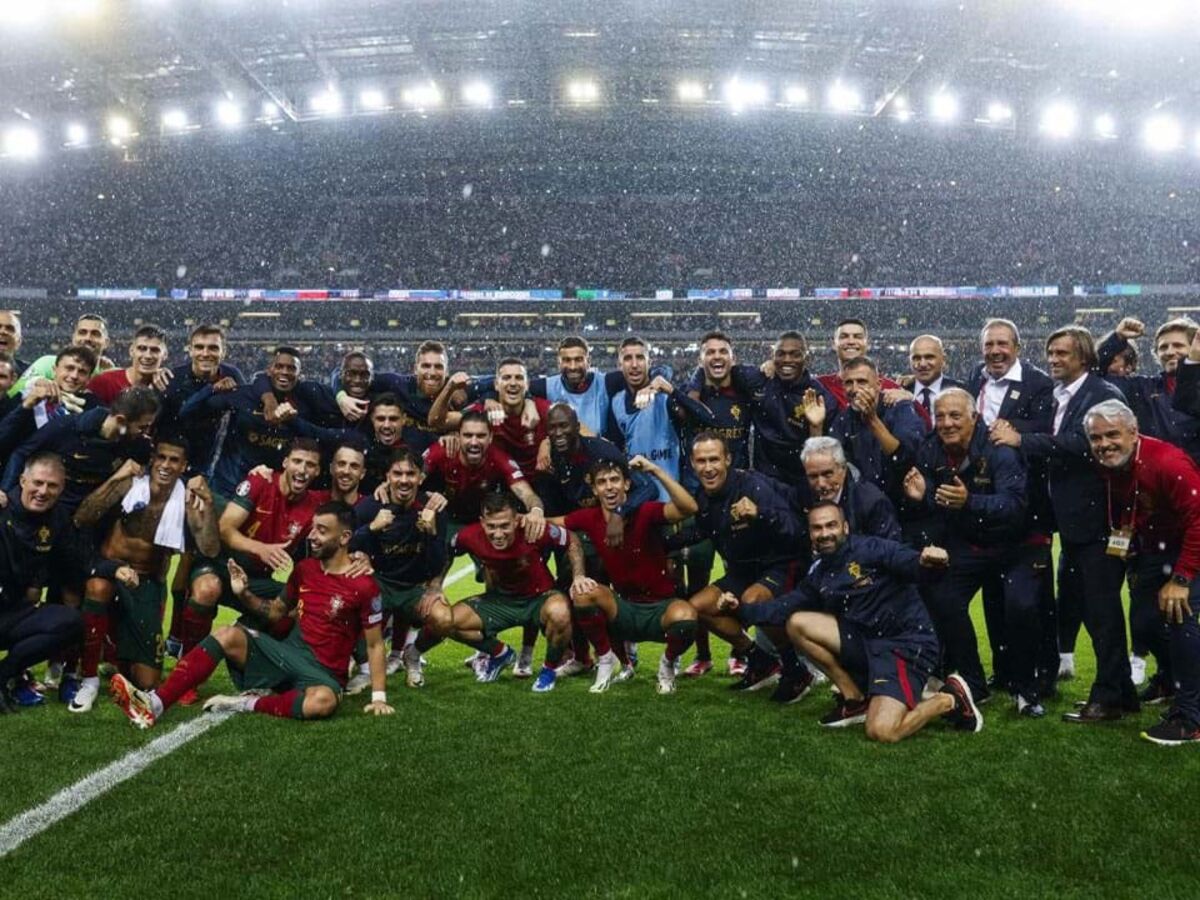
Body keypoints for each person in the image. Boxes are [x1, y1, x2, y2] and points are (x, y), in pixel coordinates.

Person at [111, 501, 394, 728]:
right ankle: (155, 704)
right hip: (286, 654)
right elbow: (276, 612)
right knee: (228, 635)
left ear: (345, 537)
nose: (312, 536)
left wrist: (379, 697)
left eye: (322, 530)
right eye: (313, 529)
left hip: (324, 674)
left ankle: (244, 703)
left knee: (323, 702)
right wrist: (244, 593)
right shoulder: (305, 569)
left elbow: (374, 644)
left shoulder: (365, 586)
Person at [991, 326, 1136, 722]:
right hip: (1074, 525)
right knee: (1084, 605)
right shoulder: (1065, 393)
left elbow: (1084, 445)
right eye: (1050, 352)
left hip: (1099, 523)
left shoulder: (1101, 395)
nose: (1053, 359)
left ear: (1084, 358)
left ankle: (1108, 698)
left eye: (1063, 354)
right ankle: (1121, 691)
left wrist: (1021, 441)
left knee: (1101, 610)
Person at [745, 503, 983, 742]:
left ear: (845, 527)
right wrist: (740, 609)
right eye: (817, 528)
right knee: (797, 623)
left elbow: (913, 565)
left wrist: (931, 562)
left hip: (904, 645)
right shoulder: (820, 572)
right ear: (810, 534)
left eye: (831, 525)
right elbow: (783, 608)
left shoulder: (872, 548)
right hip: (866, 642)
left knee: (882, 731)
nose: (825, 533)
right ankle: (855, 699)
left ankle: (949, 698)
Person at [901, 389, 1039, 714]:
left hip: (1012, 546)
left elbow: (1016, 505)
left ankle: (1026, 690)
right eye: (941, 417)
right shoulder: (930, 449)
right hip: (967, 545)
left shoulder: (999, 451)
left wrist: (970, 502)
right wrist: (923, 496)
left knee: (1021, 607)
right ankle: (973, 682)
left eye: (955, 416)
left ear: (974, 418)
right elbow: (936, 502)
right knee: (940, 595)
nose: (947, 423)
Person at [68, 435, 220, 712]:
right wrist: (116, 478)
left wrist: (208, 505)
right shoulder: (130, 483)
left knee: (147, 682)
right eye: (161, 457)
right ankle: (88, 681)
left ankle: (115, 648)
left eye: (174, 460)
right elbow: (83, 517)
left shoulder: (188, 500)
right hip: (109, 571)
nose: (165, 465)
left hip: (147, 582)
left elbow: (209, 549)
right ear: (152, 459)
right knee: (97, 588)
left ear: (184, 466)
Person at [1083, 400, 1200, 742]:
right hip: (1155, 549)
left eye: (1111, 435)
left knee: (1180, 616)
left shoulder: (1167, 462)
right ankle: (1169, 679)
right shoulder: (1111, 465)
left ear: (1133, 433)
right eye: (1095, 438)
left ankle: (1191, 717)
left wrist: (1181, 579)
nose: (1104, 444)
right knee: (1144, 622)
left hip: (1190, 545)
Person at [177, 438, 330, 695]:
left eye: (310, 465)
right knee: (206, 590)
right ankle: (188, 670)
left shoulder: (315, 504)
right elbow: (225, 528)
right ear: (285, 463)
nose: (303, 469)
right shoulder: (260, 482)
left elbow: (350, 501)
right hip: (221, 566)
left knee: (295, 607)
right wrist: (261, 548)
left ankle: (250, 651)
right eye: (297, 461)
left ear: (317, 471)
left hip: (256, 579)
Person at [963, 318, 1058, 690]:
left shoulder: (1039, 384)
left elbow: (1051, 428)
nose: (995, 351)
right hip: (989, 509)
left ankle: (1043, 673)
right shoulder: (975, 378)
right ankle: (1004, 671)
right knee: (994, 596)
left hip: (1029, 508)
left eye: (1002, 344)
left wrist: (1017, 433)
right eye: (989, 345)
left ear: (1017, 347)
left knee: (1033, 599)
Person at [556, 455, 699, 694]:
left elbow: (689, 507)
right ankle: (606, 659)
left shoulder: (646, 511)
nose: (609, 486)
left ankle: (667, 665)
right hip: (624, 609)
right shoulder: (589, 517)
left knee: (687, 617)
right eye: (602, 482)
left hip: (661, 608)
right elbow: (555, 523)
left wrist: (655, 470)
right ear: (594, 488)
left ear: (627, 484)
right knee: (583, 594)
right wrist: (530, 517)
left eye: (615, 480)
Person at [418, 491, 585, 693]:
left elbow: (572, 540)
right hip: (499, 601)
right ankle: (500, 653)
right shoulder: (469, 535)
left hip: (539, 599)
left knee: (560, 612)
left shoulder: (534, 529)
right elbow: (448, 551)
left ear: (517, 520)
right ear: (482, 522)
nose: (498, 534)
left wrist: (579, 576)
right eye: (491, 526)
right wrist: (436, 585)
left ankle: (548, 670)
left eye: (505, 525)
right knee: (445, 619)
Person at [686, 432, 805, 696]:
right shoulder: (702, 497)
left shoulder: (753, 486)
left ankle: (796, 669)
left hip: (778, 565)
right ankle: (759, 659)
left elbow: (795, 530)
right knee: (697, 607)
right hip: (742, 571)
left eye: (714, 459)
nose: (708, 468)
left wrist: (760, 514)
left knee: (753, 600)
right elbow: (701, 532)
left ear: (727, 459)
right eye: (701, 461)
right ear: (692, 464)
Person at [348, 449, 448, 690]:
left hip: (413, 590)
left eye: (410, 474)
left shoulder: (432, 508)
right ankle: (364, 668)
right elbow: (346, 545)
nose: (404, 480)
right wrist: (371, 528)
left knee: (444, 620)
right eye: (397, 473)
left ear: (421, 477)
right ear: (387, 476)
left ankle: (412, 654)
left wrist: (432, 533)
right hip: (378, 584)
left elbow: (439, 562)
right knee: (341, 608)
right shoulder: (369, 507)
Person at [0, 453, 85, 713]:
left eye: (52, 486)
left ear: (62, 489)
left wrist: (113, 569)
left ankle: (4, 676)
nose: (43, 491)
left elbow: (73, 565)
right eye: (37, 482)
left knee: (70, 622)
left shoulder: (58, 519)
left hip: (12, 613)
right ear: (22, 480)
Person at [828, 356, 926, 503]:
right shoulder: (843, 419)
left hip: (905, 503)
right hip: (864, 505)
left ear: (878, 384)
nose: (855, 389)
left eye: (862, 382)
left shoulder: (899, 407)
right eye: (849, 383)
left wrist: (872, 420)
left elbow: (905, 457)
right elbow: (831, 463)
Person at [799, 436, 900, 540]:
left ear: (843, 469)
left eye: (827, 474)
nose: (821, 484)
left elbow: (891, 550)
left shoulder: (871, 502)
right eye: (813, 476)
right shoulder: (802, 496)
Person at [10, 313, 114, 395]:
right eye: (82, 332)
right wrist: (34, 382)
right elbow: (14, 393)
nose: (87, 338)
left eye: (95, 334)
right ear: (73, 338)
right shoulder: (47, 362)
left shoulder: (110, 374)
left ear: (106, 342)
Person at [87, 324, 170, 405]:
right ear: (131, 351)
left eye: (155, 350)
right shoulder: (104, 382)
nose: (148, 355)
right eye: (142, 348)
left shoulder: (168, 386)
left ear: (165, 354)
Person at [904, 334, 966, 423]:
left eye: (929, 357)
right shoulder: (899, 392)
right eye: (916, 358)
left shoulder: (962, 391)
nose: (923, 364)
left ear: (943, 359)